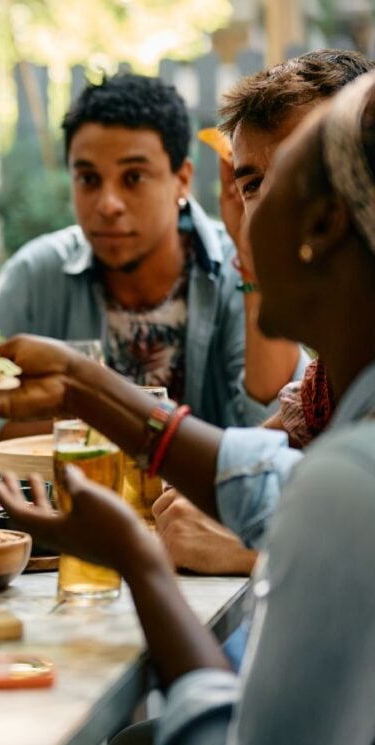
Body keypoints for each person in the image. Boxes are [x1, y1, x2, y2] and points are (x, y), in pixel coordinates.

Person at [0, 70, 375, 743]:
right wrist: (83, 385)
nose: (237, 222)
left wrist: (138, 559)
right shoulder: (337, 398)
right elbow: (271, 481)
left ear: (325, 220)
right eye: (244, 185)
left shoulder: (348, 481)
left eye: (268, 187)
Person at [0, 72, 306, 444]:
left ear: (182, 178)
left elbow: (273, 426)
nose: (108, 204)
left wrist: (252, 262)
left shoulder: (236, 270)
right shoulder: (36, 273)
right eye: (88, 179)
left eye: (133, 178)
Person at [152, 49, 374, 578]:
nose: (262, 216)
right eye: (252, 185)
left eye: (301, 170)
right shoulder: (329, 382)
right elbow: (247, 463)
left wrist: (260, 552)